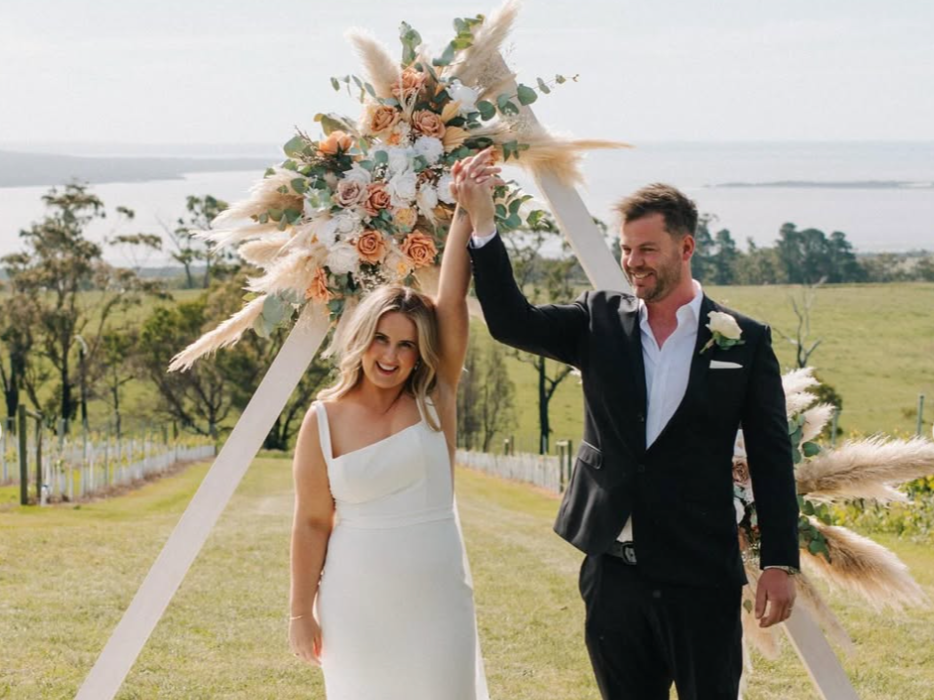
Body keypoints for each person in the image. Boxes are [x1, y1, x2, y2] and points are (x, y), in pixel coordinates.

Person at [453, 153, 800, 700]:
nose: (632, 262)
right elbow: (510, 322)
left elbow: (772, 456)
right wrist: (484, 224)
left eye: (646, 250)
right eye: (626, 249)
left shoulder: (744, 341)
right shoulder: (598, 321)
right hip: (614, 573)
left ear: (686, 248)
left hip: (701, 574)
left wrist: (779, 561)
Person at [286, 183, 500, 698]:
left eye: (406, 345)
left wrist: (468, 211)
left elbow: (451, 300)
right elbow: (313, 522)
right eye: (381, 339)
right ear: (361, 339)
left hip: (438, 600)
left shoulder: (434, 398)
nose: (391, 356)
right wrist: (300, 611)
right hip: (355, 606)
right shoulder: (321, 421)